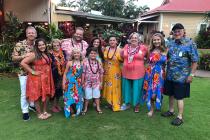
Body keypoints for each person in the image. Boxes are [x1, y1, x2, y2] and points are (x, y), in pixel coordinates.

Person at [161, 23, 199, 126]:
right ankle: (171, 110)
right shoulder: (170, 43)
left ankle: (180, 117)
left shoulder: (190, 44)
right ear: (172, 33)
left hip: (182, 77)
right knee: (171, 94)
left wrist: (191, 75)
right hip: (170, 75)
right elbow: (166, 57)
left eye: (179, 31)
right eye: (175, 31)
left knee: (179, 97)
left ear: (183, 31)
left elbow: (195, 61)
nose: (177, 33)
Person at [20, 38, 55, 120]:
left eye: (43, 44)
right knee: (37, 96)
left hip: (47, 77)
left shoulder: (46, 53)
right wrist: (32, 71)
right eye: (39, 45)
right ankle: (39, 113)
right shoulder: (34, 54)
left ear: (46, 45)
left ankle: (44, 111)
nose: (42, 46)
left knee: (47, 94)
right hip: (36, 78)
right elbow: (23, 63)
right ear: (36, 46)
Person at [12, 26, 37, 121]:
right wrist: (24, 55)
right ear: (26, 34)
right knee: (24, 92)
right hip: (23, 72)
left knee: (34, 90)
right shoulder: (19, 44)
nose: (31, 34)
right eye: (29, 33)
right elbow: (14, 58)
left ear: (35, 34)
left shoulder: (37, 44)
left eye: (33, 33)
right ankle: (25, 111)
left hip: (35, 72)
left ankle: (32, 105)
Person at [120, 32, 148, 113]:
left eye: (136, 38)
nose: (134, 39)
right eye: (132, 37)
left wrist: (144, 65)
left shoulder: (143, 48)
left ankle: (137, 104)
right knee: (126, 88)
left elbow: (148, 57)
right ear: (129, 39)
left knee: (137, 88)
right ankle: (127, 103)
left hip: (138, 72)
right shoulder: (125, 47)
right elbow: (122, 56)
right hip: (126, 71)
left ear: (139, 39)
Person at [143, 33, 167, 117]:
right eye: (154, 40)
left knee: (159, 91)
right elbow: (147, 62)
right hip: (151, 73)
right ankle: (152, 109)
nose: (156, 41)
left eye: (158, 39)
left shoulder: (166, 50)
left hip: (160, 74)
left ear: (161, 40)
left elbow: (168, 63)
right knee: (152, 92)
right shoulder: (150, 50)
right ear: (152, 41)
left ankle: (158, 103)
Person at [103, 36, 122, 112]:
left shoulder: (120, 50)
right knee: (108, 87)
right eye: (110, 40)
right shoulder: (106, 49)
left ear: (116, 41)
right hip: (107, 71)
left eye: (113, 40)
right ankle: (109, 103)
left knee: (115, 87)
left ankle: (116, 104)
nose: (112, 41)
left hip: (115, 72)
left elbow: (123, 60)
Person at [82, 47, 104, 115]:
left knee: (97, 96)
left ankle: (98, 107)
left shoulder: (99, 62)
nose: (93, 54)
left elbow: (101, 73)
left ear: (97, 54)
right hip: (87, 83)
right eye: (91, 53)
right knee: (87, 97)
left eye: (94, 53)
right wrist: (83, 82)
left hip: (96, 83)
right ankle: (85, 108)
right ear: (89, 54)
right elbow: (83, 73)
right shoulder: (85, 62)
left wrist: (101, 83)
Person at [62, 48, 83, 118]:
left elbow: (83, 74)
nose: (76, 54)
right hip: (69, 83)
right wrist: (63, 83)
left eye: (78, 53)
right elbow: (65, 73)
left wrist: (83, 82)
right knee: (68, 96)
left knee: (78, 97)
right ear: (73, 54)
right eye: (75, 53)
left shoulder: (82, 62)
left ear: (80, 54)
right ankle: (70, 111)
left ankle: (77, 111)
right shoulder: (69, 62)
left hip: (78, 83)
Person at [50, 39, 65, 113]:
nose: (56, 47)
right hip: (53, 75)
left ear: (60, 45)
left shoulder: (63, 53)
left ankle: (57, 104)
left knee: (59, 91)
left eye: (58, 45)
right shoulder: (50, 54)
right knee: (54, 91)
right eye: (54, 46)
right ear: (52, 47)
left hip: (62, 74)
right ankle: (53, 106)